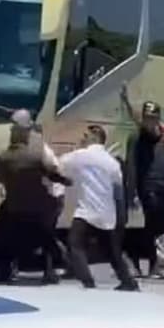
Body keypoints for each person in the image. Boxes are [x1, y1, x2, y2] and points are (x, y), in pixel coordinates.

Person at [0, 124, 72, 284]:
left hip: (33, 201)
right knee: (45, 236)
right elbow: (54, 174)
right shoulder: (36, 154)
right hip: (41, 202)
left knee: (9, 234)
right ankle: (51, 270)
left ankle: (8, 270)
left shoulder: (14, 155)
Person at [61, 125, 139, 291]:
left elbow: (60, 164)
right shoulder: (112, 163)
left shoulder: (80, 156)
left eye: (85, 135)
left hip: (86, 211)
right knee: (111, 252)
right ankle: (128, 281)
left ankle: (88, 282)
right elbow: (118, 185)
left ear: (95, 138)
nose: (82, 138)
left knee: (75, 244)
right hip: (106, 213)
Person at [120, 86, 164, 279]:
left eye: (153, 116)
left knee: (161, 227)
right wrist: (132, 191)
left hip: (163, 188)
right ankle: (143, 263)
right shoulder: (139, 136)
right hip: (147, 187)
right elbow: (132, 164)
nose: (150, 120)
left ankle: (151, 263)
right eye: (147, 117)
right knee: (149, 228)